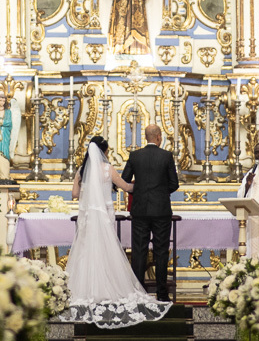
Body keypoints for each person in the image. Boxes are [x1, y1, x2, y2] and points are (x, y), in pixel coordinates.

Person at [60, 136, 170, 328]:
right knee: (105, 250)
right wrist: (148, 186)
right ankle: (107, 288)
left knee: (86, 251)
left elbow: (75, 195)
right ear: (103, 151)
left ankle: (85, 289)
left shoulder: (81, 170)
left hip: (88, 217)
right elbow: (126, 186)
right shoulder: (106, 169)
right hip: (103, 215)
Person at [122, 124, 179, 302]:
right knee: (161, 252)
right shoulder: (166, 156)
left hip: (139, 211)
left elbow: (124, 180)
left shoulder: (135, 155)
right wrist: (161, 192)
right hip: (161, 211)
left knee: (139, 251)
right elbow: (174, 183)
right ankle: (162, 294)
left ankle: (138, 293)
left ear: (146, 137)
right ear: (159, 137)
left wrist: (139, 191)